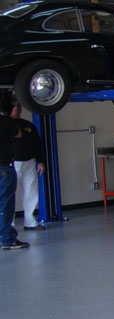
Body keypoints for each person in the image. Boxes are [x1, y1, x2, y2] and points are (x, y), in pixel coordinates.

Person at [8, 96, 45, 230]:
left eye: (19, 107)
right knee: (9, 194)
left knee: (31, 191)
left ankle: (30, 221)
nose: (17, 109)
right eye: (15, 107)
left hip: (30, 162)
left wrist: (40, 161)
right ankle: (9, 224)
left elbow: (37, 144)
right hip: (12, 164)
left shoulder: (29, 126)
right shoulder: (5, 125)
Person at [0, 92, 27, 250]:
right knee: (6, 203)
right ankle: (8, 239)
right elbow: (18, 133)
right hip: (4, 167)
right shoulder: (5, 122)